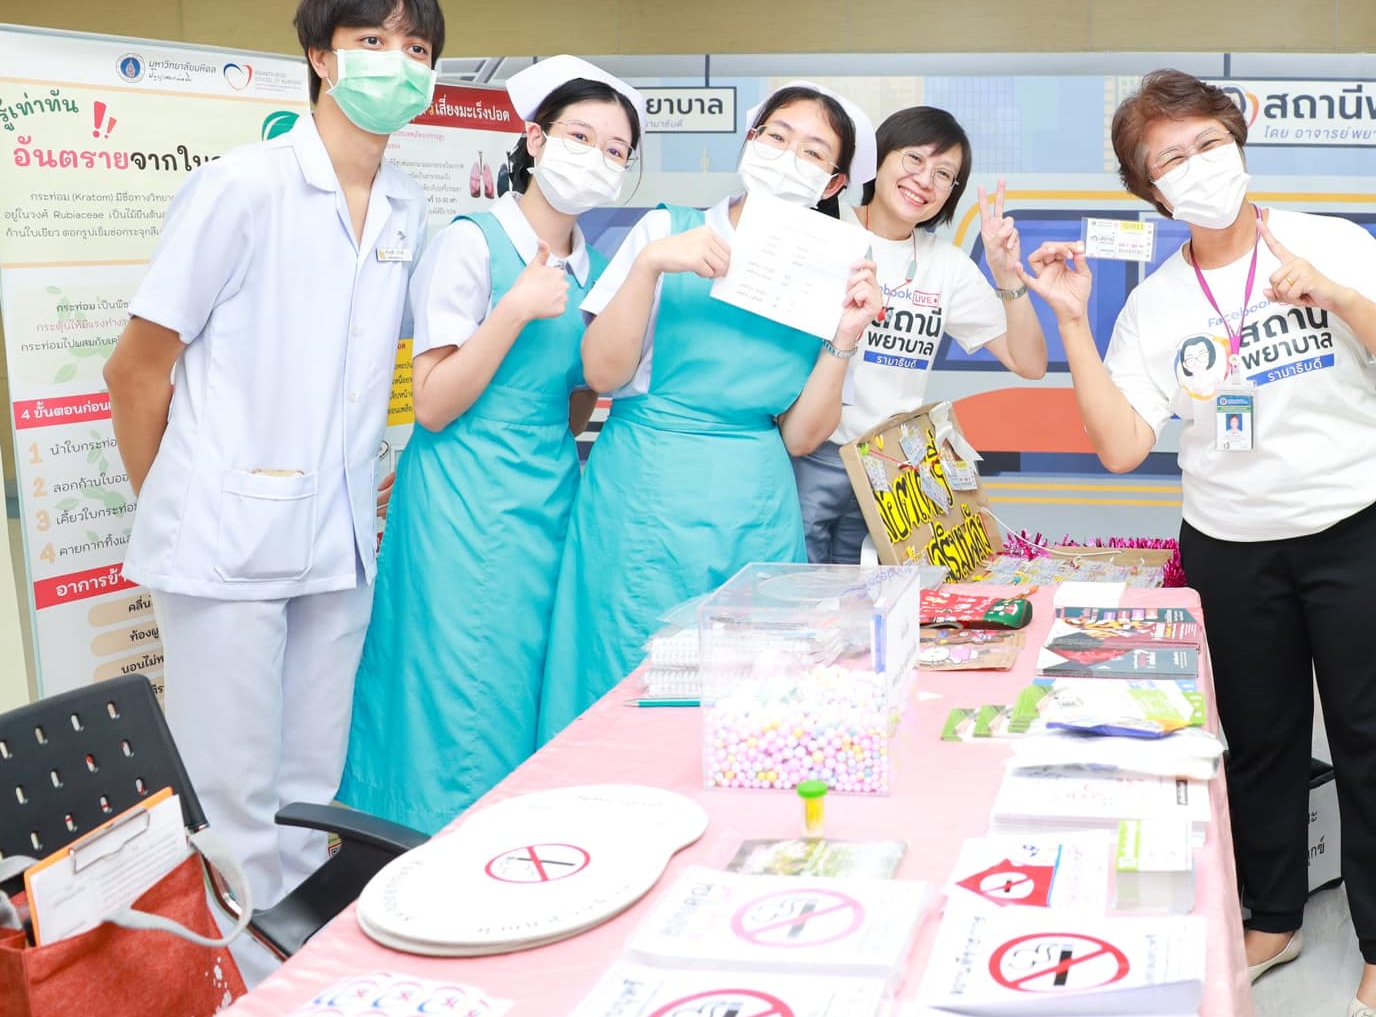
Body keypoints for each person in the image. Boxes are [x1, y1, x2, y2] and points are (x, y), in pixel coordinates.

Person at [1020, 70, 1376, 1017]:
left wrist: (1336, 295)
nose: (1194, 167)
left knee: (1375, 740)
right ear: (1150, 189)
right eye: (1168, 160)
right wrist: (1075, 321)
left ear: (1238, 137)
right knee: (1254, 743)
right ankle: (1273, 916)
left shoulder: (1333, 241)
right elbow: (1122, 443)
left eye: (1204, 143)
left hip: (1361, 522)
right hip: (1229, 543)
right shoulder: (1157, 303)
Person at [104, 0, 443, 910]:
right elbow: (135, 368)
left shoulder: (409, 206)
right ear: (320, 59)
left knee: (309, 791)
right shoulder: (242, 188)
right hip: (222, 541)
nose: (398, 64)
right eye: (374, 42)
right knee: (230, 797)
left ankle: (293, 970)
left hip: (336, 540)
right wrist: (175, 500)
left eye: (417, 49)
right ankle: (233, 999)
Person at [339, 56, 640, 834]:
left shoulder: (595, 268)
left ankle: (517, 841)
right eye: (581, 135)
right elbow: (433, 404)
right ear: (534, 140)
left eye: (615, 149)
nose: (598, 157)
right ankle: (432, 844)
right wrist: (511, 312)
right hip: (463, 495)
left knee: (524, 677)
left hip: (547, 490)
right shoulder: (472, 242)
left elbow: (574, 401)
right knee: (457, 681)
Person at [537, 83, 880, 740]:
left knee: (748, 701)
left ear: (833, 181)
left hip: (755, 503)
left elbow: (804, 436)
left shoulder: (837, 271)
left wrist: (845, 335)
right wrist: (648, 269)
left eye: (812, 153)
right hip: (642, 496)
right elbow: (601, 373)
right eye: (777, 137)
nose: (787, 157)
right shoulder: (667, 229)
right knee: (625, 678)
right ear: (749, 141)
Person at [791, 105, 1047, 563]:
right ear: (880, 158)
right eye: (914, 159)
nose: (925, 180)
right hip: (811, 454)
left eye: (944, 173)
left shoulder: (944, 265)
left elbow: (1028, 362)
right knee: (797, 593)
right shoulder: (825, 229)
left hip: (891, 468)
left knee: (868, 604)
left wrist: (1008, 275)